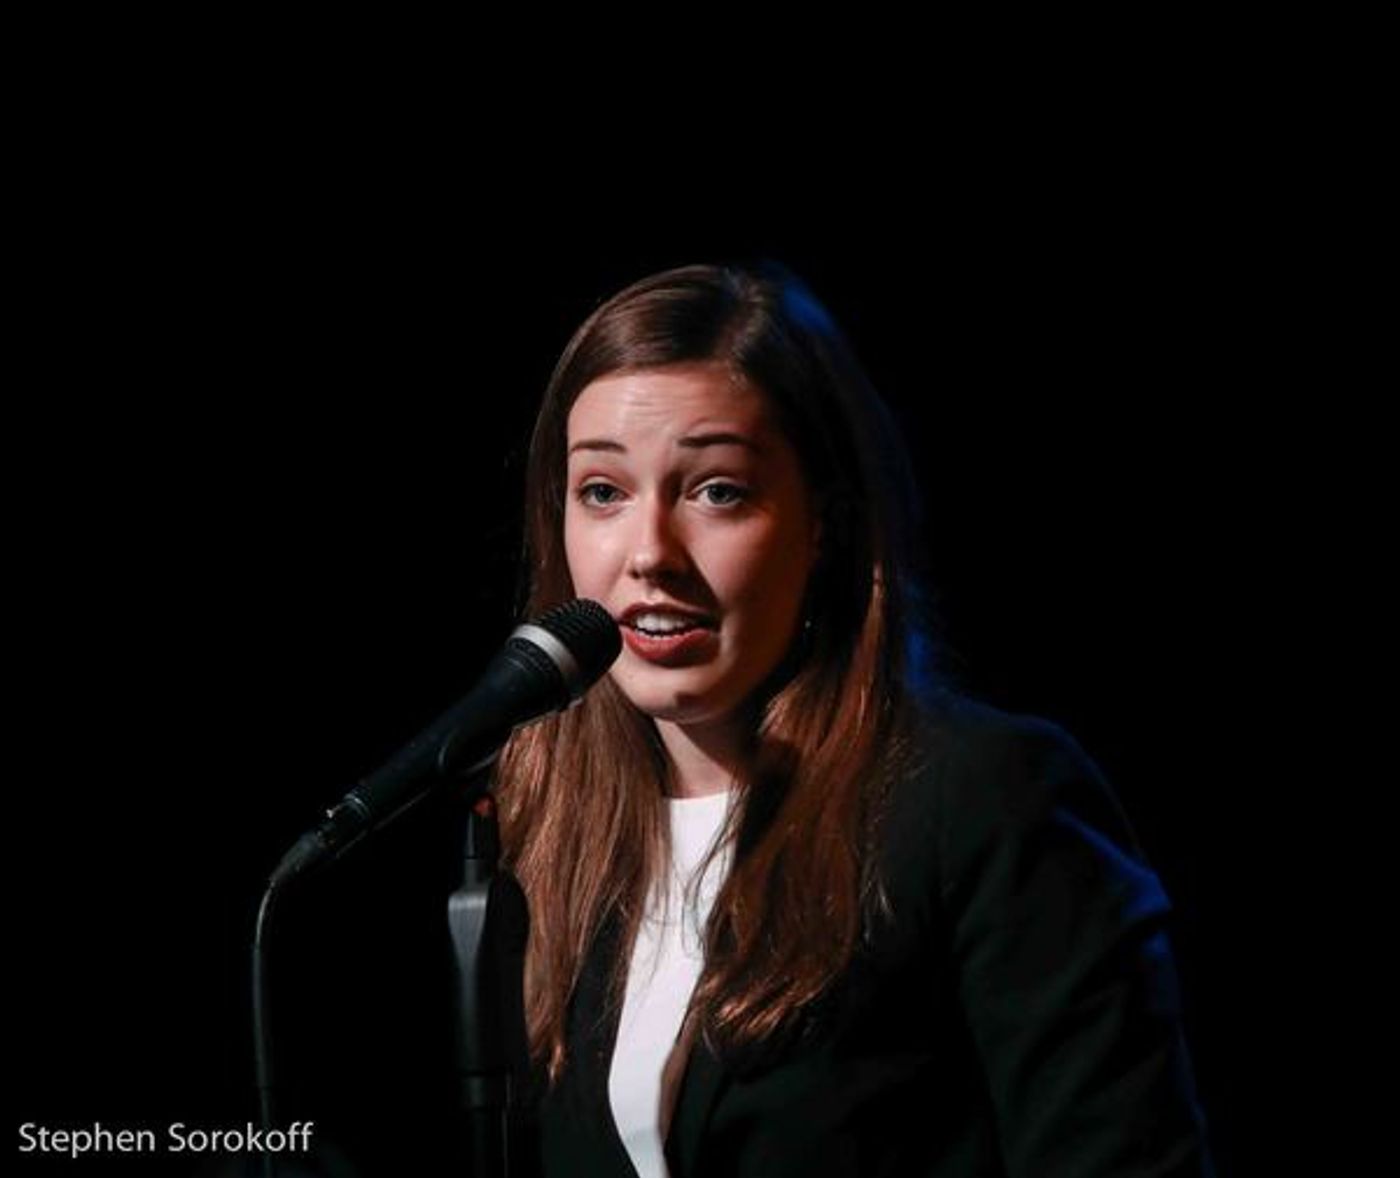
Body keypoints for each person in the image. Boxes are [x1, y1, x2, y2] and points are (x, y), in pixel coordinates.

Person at [492, 260, 1215, 1177]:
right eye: (603, 492)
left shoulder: (980, 801)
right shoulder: (553, 841)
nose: (649, 555)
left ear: (824, 522)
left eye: (716, 489)